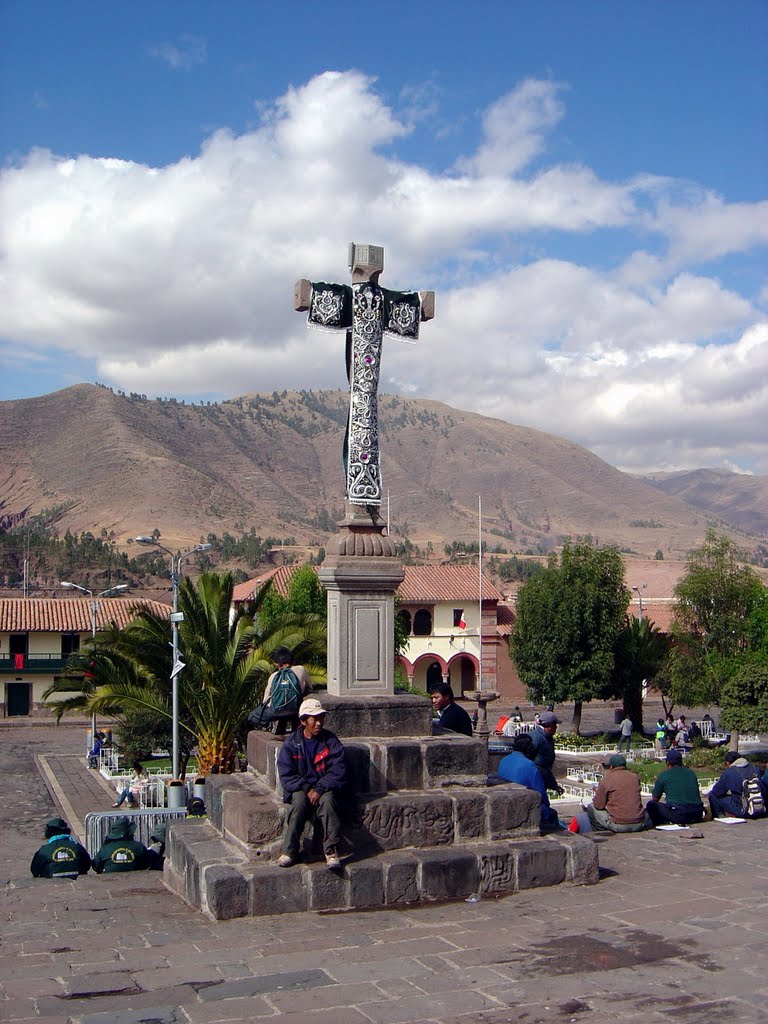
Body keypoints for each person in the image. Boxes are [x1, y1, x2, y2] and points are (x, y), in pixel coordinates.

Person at [276, 697, 347, 870]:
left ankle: (331, 850)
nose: (318, 723)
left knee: (328, 803)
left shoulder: (330, 741)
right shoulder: (291, 743)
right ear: (303, 721)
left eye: (321, 718)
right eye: (314, 719)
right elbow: (287, 774)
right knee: (299, 804)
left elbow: (338, 770)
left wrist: (320, 788)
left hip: (324, 787)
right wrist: (307, 789)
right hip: (301, 787)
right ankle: (290, 850)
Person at [497, 733, 560, 829]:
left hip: (502, 802)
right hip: (522, 806)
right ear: (529, 749)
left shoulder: (503, 760)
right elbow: (542, 796)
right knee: (551, 814)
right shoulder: (530, 765)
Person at [585, 754, 650, 832]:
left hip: (619, 825)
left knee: (591, 807)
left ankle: (600, 831)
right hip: (639, 823)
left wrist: (599, 792)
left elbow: (598, 806)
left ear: (611, 767)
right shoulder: (635, 777)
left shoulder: (607, 779)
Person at [645, 748, 704, 826]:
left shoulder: (664, 775)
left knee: (651, 805)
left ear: (668, 763)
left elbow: (655, 798)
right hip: (697, 813)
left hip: (679, 814)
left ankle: (658, 823)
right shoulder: (691, 773)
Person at [263, 647, 313, 735]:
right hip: (295, 710)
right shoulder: (301, 670)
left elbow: (266, 699)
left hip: (277, 712)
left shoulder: (274, 676)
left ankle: (278, 730)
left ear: (278, 664)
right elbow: (310, 688)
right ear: (292, 660)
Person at [708, 750, 767, 819]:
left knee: (713, 795)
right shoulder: (755, 769)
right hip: (761, 808)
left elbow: (717, 792)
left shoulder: (730, 772)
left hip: (743, 810)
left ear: (727, 763)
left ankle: (720, 815)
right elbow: (764, 789)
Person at [529, 710, 563, 794]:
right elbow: (537, 765)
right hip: (535, 782)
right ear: (550, 726)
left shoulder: (547, 737)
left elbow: (546, 767)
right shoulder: (536, 738)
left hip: (542, 780)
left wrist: (553, 785)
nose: (556, 728)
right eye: (555, 725)